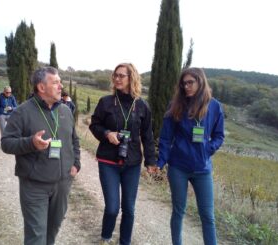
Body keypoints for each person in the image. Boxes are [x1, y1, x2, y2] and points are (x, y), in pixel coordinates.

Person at [1, 66, 81, 245]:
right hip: (34, 185)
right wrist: (31, 143)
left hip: (62, 184)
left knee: (52, 232)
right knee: (36, 236)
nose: (61, 86)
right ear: (41, 87)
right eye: (55, 83)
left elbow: (75, 140)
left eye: (60, 82)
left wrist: (76, 164)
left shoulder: (66, 111)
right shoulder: (22, 111)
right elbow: (6, 143)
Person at [89, 63, 157, 245]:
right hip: (108, 161)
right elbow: (94, 125)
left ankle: (125, 241)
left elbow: (147, 135)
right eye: (115, 75)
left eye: (122, 76)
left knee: (129, 208)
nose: (117, 79)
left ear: (131, 78)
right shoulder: (105, 102)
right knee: (112, 208)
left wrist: (151, 161)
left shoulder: (142, 106)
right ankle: (106, 237)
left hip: (132, 163)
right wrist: (106, 133)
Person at [156, 67, 224, 245]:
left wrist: (208, 149)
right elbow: (165, 137)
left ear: (200, 82)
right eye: (184, 83)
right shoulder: (176, 105)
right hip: (178, 167)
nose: (186, 86)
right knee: (179, 211)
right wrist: (161, 161)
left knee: (207, 216)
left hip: (202, 169)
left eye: (190, 82)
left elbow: (219, 136)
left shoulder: (214, 106)